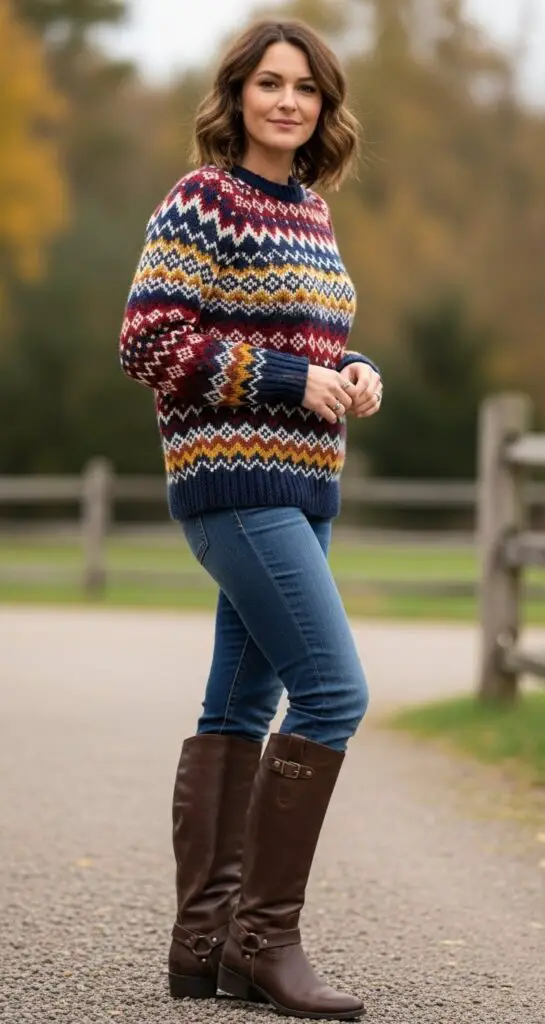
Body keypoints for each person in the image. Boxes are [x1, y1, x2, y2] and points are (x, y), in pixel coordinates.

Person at [119, 18, 381, 1021]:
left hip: (304, 487)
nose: (287, 101)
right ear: (234, 98)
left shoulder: (310, 210)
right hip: (235, 485)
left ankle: (203, 949)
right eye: (268, 84)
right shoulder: (202, 200)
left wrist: (352, 375)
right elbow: (150, 341)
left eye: (305, 88)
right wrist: (290, 376)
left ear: (324, 106)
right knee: (333, 692)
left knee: (237, 708)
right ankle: (267, 941)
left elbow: (312, 340)